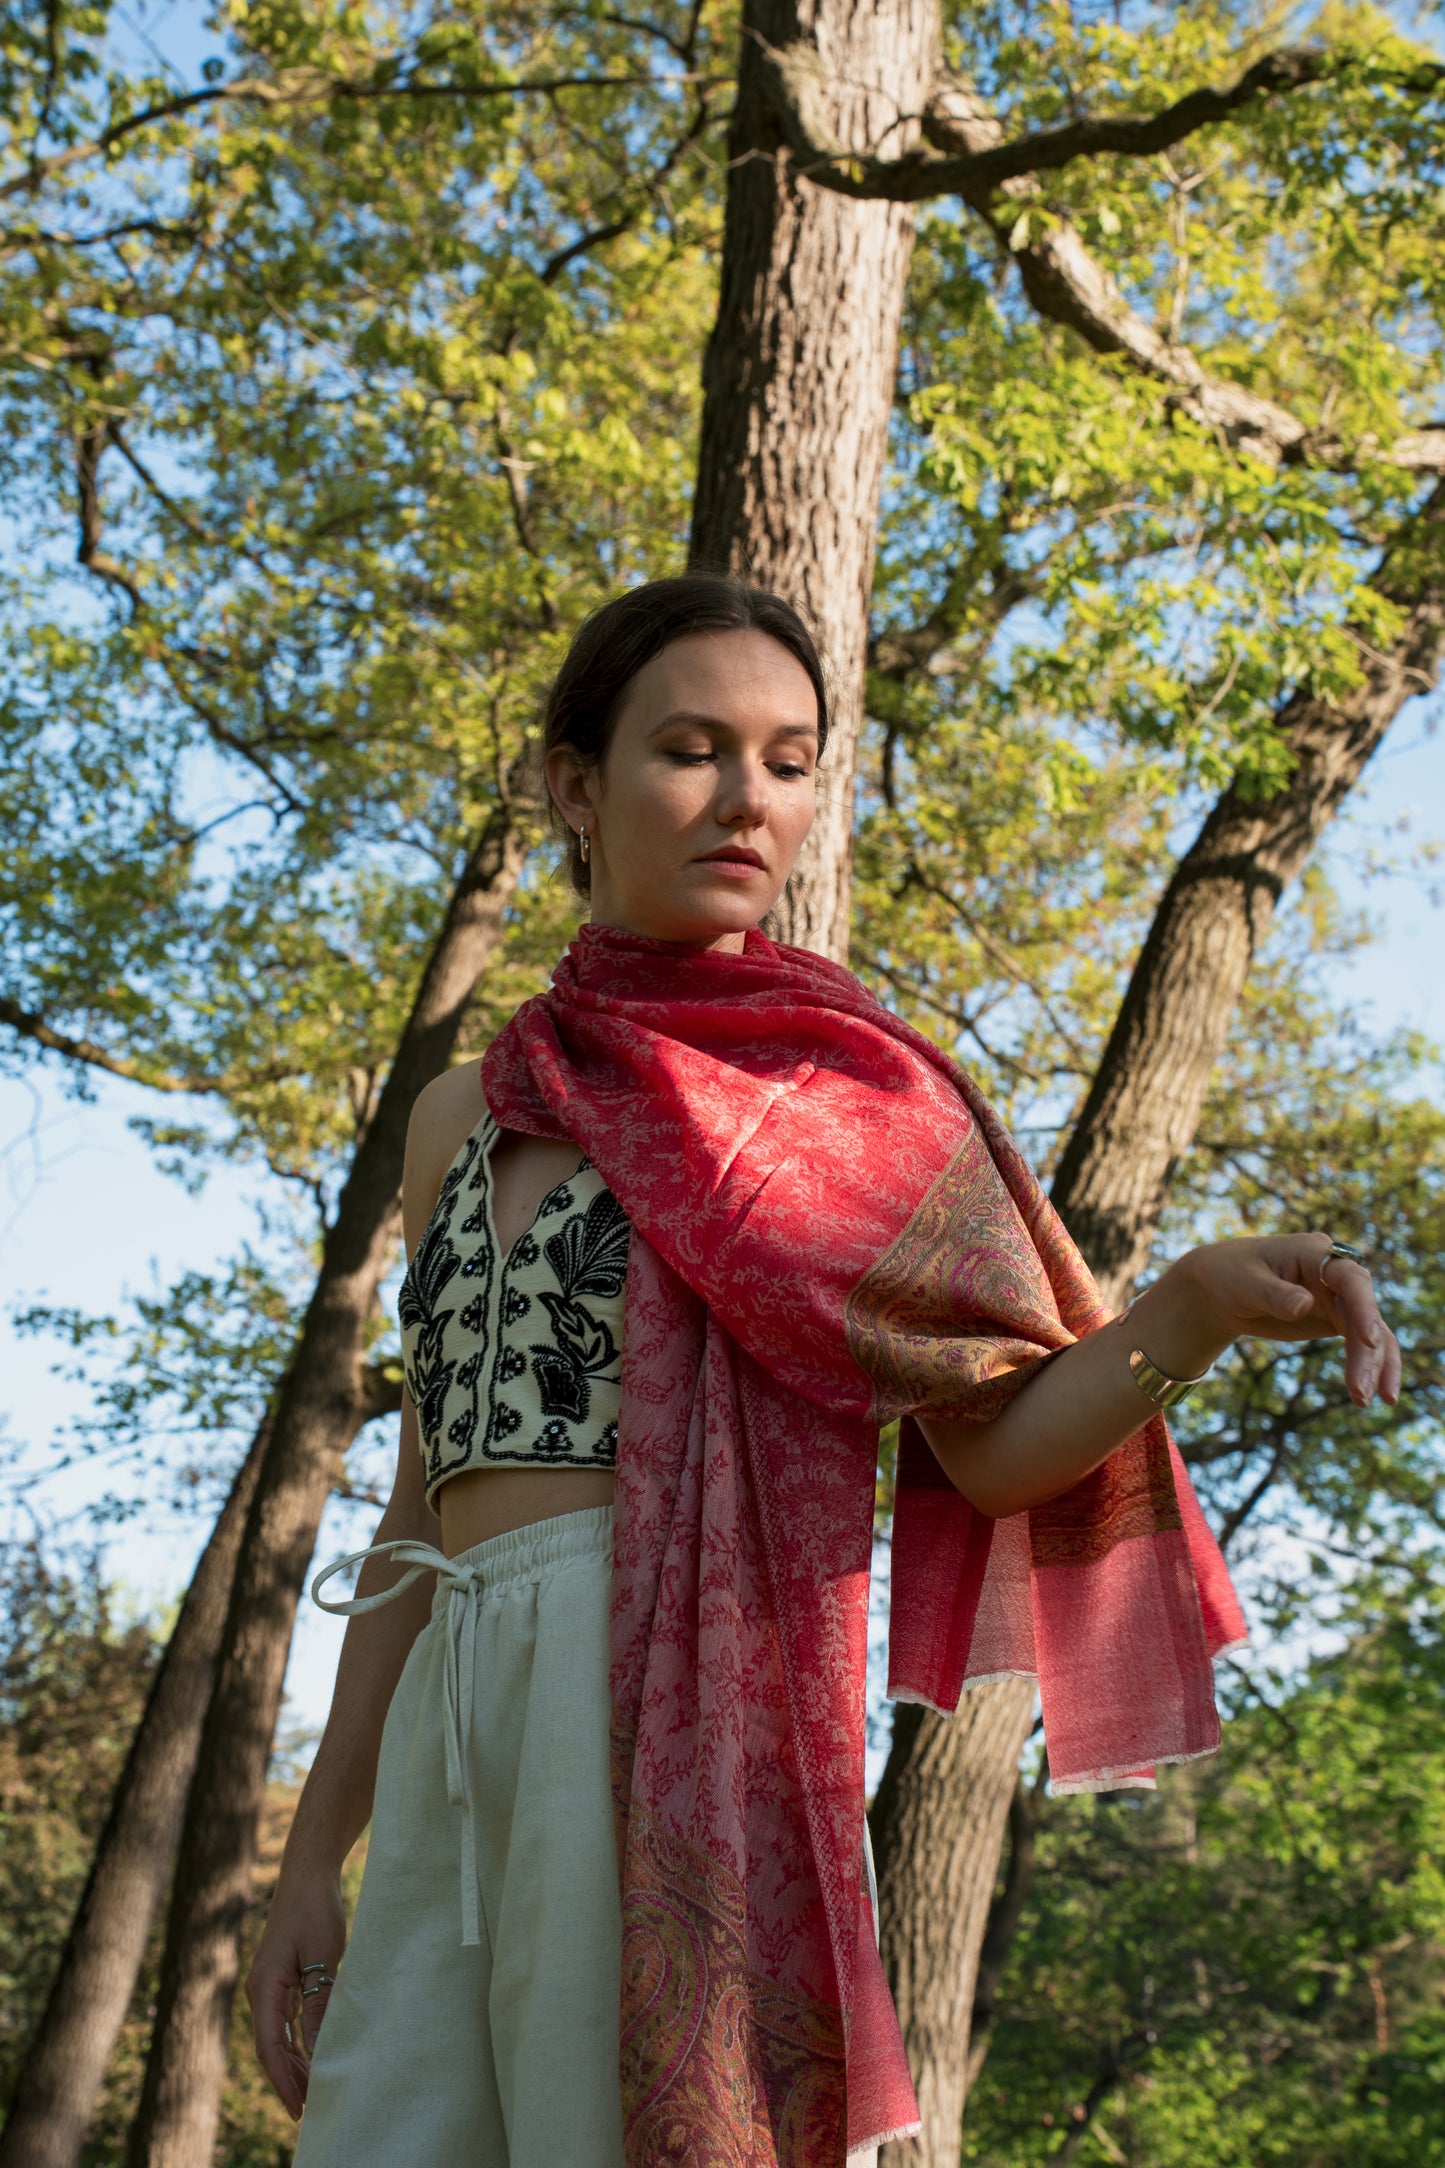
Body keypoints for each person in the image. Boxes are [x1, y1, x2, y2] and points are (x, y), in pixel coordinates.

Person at [248, 576, 1400, 2167]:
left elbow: (991, 1454)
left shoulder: (839, 1096)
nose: (748, 800)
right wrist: (316, 1854)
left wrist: (1184, 1309)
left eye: (789, 761)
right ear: (573, 785)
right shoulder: (469, 1107)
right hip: (454, 1698)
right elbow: (416, 1510)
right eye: (693, 749)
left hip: (659, 1692)